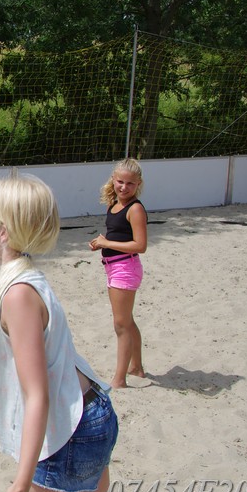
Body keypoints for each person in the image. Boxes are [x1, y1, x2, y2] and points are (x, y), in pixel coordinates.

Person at [0, 173, 117, 492]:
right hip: (91, 413)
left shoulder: (18, 294)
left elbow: (38, 394)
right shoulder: (22, 278)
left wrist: (22, 480)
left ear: (4, 231)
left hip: (72, 428)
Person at [89, 158, 147, 389]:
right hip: (113, 266)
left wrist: (107, 243)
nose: (124, 187)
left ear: (138, 184)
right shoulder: (113, 205)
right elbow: (117, 236)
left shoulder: (135, 209)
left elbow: (140, 245)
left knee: (121, 325)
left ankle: (120, 379)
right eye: (120, 181)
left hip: (126, 267)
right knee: (127, 321)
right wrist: (100, 243)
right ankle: (136, 367)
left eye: (130, 183)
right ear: (113, 179)